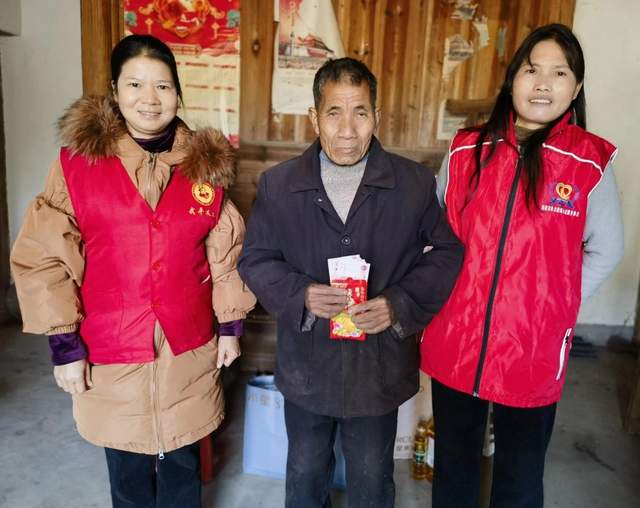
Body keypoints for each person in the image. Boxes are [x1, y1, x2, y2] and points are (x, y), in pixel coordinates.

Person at [10, 34, 255, 507]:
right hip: (112, 349)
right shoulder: (77, 165)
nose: (150, 99)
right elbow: (45, 256)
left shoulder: (205, 166)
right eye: (135, 84)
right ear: (114, 91)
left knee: (184, 470)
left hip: (187, 349)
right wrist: (64, 345)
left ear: (178, 93)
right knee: (128, 478)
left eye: (163, 86)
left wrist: (230, 326)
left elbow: (225, 254)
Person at [238, 57, 463, 508]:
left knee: (372, 478)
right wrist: (300, 294)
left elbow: (447, 253)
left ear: (375, 116)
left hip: (377, 367)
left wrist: (398, 303)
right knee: (305, 474)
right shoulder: (279, 185)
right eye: (333, 113)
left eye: (360, 112)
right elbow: (255, 259)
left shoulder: (413, 184)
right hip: (308, 364)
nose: (347, 130)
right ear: (314, 117)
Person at [421, 24, 624, 508]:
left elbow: (606, 250)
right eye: (532, 70)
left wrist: (557, 308)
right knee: (454, 468)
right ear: (513, 79)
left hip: (532, 347)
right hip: (458, 337)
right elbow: (435, 235)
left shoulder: (588, 163)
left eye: (559, 73)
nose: (542, 84)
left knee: (520, 476)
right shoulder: (466, 150)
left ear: (575, 87)